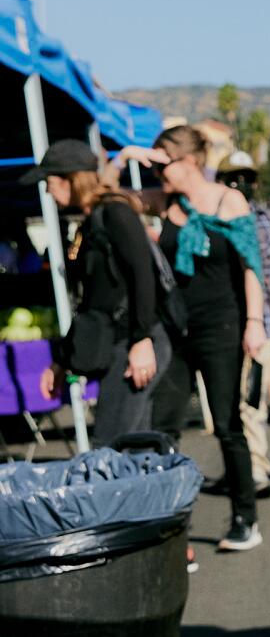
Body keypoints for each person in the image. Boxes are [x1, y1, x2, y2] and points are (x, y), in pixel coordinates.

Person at [148, 122, 266, 553]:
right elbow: (104, 195)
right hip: (176, 329)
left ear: (191, 159)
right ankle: (167, 525)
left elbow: (251, 265)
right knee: (164, 425)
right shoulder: (164, 203)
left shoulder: (227, 200)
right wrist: (126, 158)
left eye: (166, 159)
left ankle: (245, 517)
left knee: (226, 423)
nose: (159, 168)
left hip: (222, 324)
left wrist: (254, 323)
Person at [29, 138, 166, 445]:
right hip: (119, 344)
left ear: (72, 181)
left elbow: (143, 275)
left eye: (51, 182)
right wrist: (62, 359)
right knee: (126, 446)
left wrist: (142, 339)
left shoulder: (115, 213)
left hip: (134, 343)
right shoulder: (92, 222)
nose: (48, 191)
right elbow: (93, 303)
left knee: (116, 445)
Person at [218, 149, 270, 498]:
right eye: (233, 178)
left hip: (262, 327)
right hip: (221, 326)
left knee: (250, 402)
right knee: (226, 408)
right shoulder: (210, 221)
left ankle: (256, 471)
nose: (241, 184)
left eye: (246, 178)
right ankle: (239, 468)